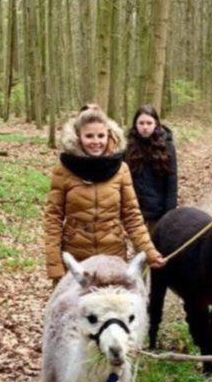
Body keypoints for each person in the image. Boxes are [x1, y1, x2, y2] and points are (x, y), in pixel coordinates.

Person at [44, 104, 164, 282]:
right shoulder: (63, 170)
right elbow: (53, 219)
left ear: (109, 135)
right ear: (78, 137)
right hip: (76, 260)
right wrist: (55, 265)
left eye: (101, 136)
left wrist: (150, 252)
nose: (96, 141)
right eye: (89, 136)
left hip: (113, 256)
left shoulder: (121, 169)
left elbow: (132, 216)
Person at [125, 104, 178, 234]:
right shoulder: (127, 146)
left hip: (159, 211)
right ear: (135, 124)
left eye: (149, 123)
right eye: (141, 123)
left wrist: (169, 214)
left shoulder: (167, 146)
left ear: (156, 124)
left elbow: (172, 183)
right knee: (141, 251)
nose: (145, 127)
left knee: (157, 249)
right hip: (135, 211)